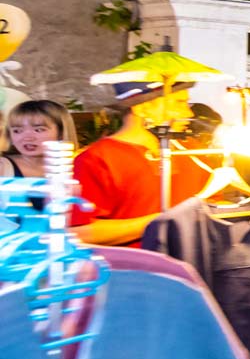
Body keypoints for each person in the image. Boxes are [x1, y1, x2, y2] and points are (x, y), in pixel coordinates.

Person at [72, 81, 209, 246]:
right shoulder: (96, 159)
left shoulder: (192, 151)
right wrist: (163, 221)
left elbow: (214, 205)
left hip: (194, 265)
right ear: (141, 107)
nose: (187, 112)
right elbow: (79, 233)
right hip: (134, 268)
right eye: (179, 103)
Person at [1, 99, 78, 177]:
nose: (27, 138)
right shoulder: (3, 167)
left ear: (61, 132)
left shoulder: (79, 167)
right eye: (17, 131)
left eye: (39, 130)